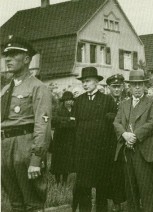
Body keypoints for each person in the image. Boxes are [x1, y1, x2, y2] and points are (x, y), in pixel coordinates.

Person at [1, 36, 52, 211]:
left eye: (14, 54)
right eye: (6, 55)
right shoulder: (6, 90)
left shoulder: (38, 87)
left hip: (25, 147)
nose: (7, 59)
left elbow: (43, 125)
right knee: (15, 203)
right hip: (5, 148)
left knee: (32, 203)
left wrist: (36, 159)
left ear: (27, 59)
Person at [113, 70, 153, 212]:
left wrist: (134, 136)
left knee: (146, 190)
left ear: (145, 86)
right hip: (127, 152)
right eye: (134, 85)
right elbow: (116, 122)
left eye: (140, 84)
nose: (137, 88)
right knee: (131, 190)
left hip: (144, 152)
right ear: (129, 87)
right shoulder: (124, 104)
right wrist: (124, 135)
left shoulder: (152, 102)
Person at [72, 67, 117, 212]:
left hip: (101, 153)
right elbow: (75, 124)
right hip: (84, 153)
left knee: (101, 188)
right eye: (83, 82)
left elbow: (114, 124)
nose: (85, 84)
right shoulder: (78, 101)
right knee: (84, 187)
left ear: (97, 82)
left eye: (88, 81)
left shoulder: (107, 100)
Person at [106, 74, 127, 211]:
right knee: (110, 175)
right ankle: (114, 203)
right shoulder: (105, 102)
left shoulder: (127, 102)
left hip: (124, 144)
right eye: (114, 87)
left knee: (123, 174)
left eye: (119, 86)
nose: (117, 90)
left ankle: (123, 201)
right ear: (109, 88)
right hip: (108, 144)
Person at [50, 91, 75, 186]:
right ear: (63, 101)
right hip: (59, 139)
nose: (69, 102)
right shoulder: (58, 109)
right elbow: (54, 120)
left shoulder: (74, 110)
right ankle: (57, 180)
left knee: (66, 160)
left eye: (70, 100)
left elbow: (76, 122)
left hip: (69, 139)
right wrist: (69, 120)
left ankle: (64, 180)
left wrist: (69, 122)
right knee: (58, 160)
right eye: (67, 100)